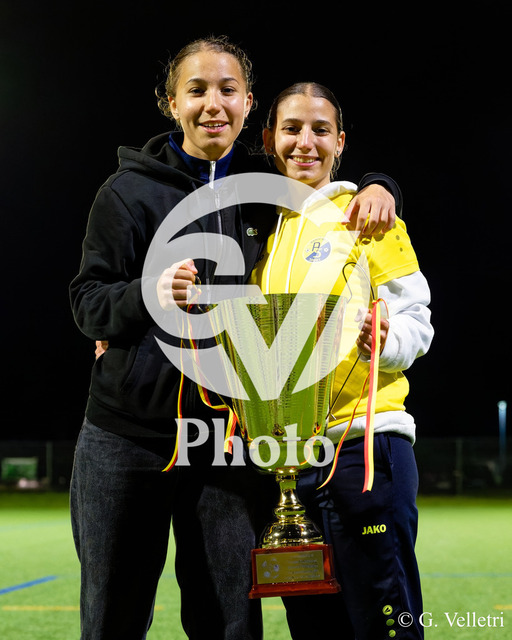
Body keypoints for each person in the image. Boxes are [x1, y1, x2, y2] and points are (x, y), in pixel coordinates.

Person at [70, 35, 405, 640]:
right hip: (126, 438)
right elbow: (87, 302)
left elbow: (327, 183)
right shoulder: (125, 192)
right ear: (171, 102)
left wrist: (382, 184)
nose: (213, 103)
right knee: (113, 616)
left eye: (228, 89)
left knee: (229, 623)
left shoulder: (267, 189)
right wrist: (148, 292)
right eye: (196, 90)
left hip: (227, 442)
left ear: (249, 104)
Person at [248, 82, 434, 639]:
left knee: (385, 622)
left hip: (365, 449)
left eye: (320, 130)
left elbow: (417, 321)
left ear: (340, 142)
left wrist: (388, 339)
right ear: (269, 140)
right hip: (293, 463)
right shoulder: (267, 241)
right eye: (292, 129)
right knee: (313, 627)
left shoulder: (369, 216)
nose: (305, 142)